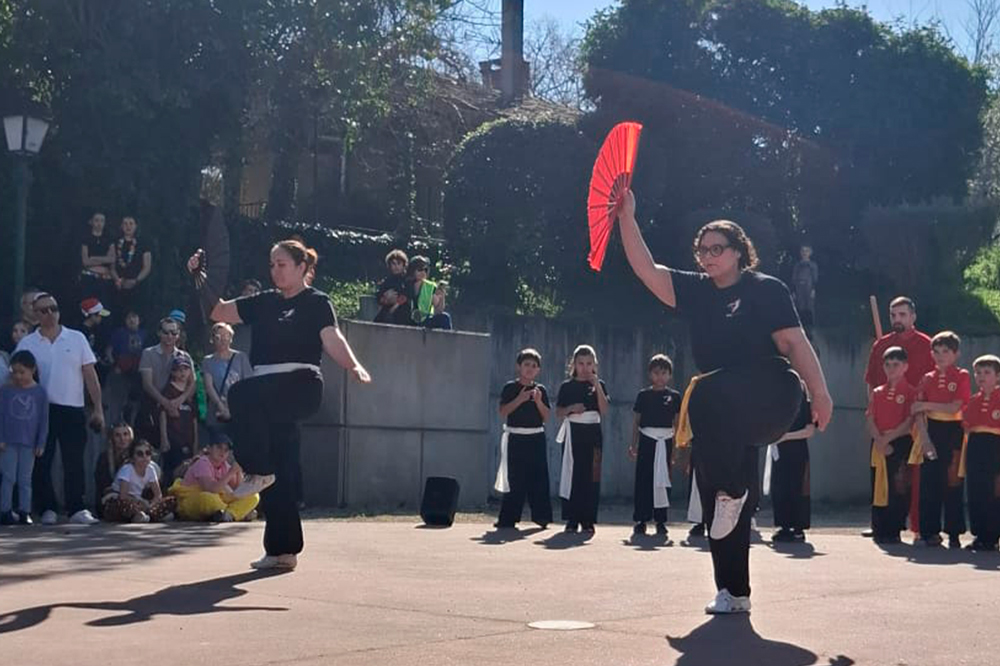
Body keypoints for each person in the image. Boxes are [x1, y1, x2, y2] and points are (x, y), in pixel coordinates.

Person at [618, 190, 832, 615]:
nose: (708, 256)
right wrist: (627, 216)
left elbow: (794, 342)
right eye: (702, 250)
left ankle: (734, 493)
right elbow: (647, 270)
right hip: (721, 414)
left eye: (717, 249)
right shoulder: (696, 291)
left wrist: (821, 393)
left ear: (738, 252)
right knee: (716, 496)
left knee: (709, 395)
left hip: (768, 395)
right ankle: (733, 591)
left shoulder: (766, 289)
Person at [188, 238, 371, 570]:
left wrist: (353, 365)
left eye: (282, 264)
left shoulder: (317, 302)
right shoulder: (264, 302)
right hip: (267, 391)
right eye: (272, 265)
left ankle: (256, 469)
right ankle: (282, 550)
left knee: (241, 395)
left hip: (300, 385)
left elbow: (332, 337)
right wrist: (200, 278)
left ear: (302, 268)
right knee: (282, 470)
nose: (275, 271)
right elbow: (219, 311)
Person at [16, 293, 105, 525]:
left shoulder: (76, 338)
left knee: (74, 460)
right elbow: (18, 379)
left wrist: (97, 408)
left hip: (72, 408)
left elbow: (90, 375)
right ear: (35, 315)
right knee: (42, 461)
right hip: (39, 411)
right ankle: (47, 508)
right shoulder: (27, 343)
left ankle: (77, 507)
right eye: (44, 310)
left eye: (53, 308)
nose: (50, 314)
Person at [864, 296, 934, 538]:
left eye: (902, 315)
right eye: (893, 315)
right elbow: (871, 381)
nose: (897, 320)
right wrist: (873, 413)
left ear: (913, 316)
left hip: (915, 417)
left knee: (905, 476)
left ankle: (912, 525)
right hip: (883, 417)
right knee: (879, 472)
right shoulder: (881, 345)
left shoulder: (926, 344)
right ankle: (880, 524)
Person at [910, 331, 970, 548]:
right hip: (931, 429)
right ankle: (929, 531)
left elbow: (956, 406)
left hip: (953, 431)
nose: (940, 356)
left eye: (945, 351)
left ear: (955, 354)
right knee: (929, 482)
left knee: (953, 481)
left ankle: (954, 532)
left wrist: (926, 405)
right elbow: (916, 411)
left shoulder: (961, 375)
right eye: (936, 352)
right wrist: (924, 439)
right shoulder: (927, 378)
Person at [494, 348, 552, 530]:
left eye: (534, 366)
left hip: (536, 438)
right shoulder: (510, 388)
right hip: (516, 438)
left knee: (539, 479)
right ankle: (508, 519)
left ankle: (542, 517)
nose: (530, 368)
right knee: (514, 480)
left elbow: (546, 417)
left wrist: (538, 401)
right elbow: (503, 412)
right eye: (527, 364)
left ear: (538, 370)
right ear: (519, 366)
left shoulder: (540, 389)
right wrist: (520, 398)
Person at [555, 344, 609, 534]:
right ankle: (571, 518)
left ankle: (588, 519)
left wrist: (597, 386)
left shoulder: (598, 385)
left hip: (593, 433)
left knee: (592, 476)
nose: (585, 368)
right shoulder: (567, 386)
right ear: (574, 365)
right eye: (581, 363)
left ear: (595, 365)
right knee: (572, 475)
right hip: (573, 434)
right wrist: (571, 408)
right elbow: (558, 412)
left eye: (589, 363)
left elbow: (604, 410)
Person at [628, 354, 681, 537]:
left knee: (663, 481)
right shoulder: (643, 395)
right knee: (643, 480)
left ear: (670, 375)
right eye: (656, 373)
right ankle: (641, 519)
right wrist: (633, 444)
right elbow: (637, 421)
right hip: (647, 440)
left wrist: (675, 449)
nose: (660, 377)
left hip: (665, 440)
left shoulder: (674, 397)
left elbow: (676, 423)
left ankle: (661, 520)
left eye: (664, 373)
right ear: (650, 374)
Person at [867, 347, 916, 545]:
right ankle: (879, 527)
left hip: (900, 442)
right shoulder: (878, 392)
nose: (891, 369)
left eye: (896, 364)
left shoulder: (910, 392)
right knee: (878, 485)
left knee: (898, 486)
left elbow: (909, 421)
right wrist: (879, 439)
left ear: (905, 367)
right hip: (879, 442)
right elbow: (870, 419)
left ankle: (894, 528)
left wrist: (889, 439)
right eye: (887, 364)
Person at [0, 351, 49, 525]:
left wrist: (41, 442)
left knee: (25, 478)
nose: (18, 376)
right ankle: (4, 510)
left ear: (32, 370)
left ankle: (24, 511)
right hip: (8, 441)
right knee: (8, 477)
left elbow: (43, 420)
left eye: (22, 372)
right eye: (15, 372)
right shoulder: (6, 391)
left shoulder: (40, 392)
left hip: (29, 442)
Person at [169, 435, 258, 522]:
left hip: (218, 502)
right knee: (208, 499)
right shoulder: (202, 463)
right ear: (209, 448)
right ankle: (238, 513)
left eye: (226, 450)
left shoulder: (224, 465)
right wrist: (231, 473)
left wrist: (238, 471)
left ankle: (229, 514)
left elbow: (238, 490)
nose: (222, 452)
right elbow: (211, 489)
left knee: (254, 496)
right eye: (219, 447)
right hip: (192, 501)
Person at [136, 317, 195, 446]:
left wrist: (178, 401)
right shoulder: (148, 353)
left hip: (178, 414)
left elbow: (192, 383)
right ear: (159, 333)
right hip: (153, 408)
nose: (170, 336)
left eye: (174, 333)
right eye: (166, 332)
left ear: (178, 335)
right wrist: (166, 403)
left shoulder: (185, 356)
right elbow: (147, 384)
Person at [767, 386, 815, 542]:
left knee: (798, 488)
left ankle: (798, 527)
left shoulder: (805, 403)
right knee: (779, 487)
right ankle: (783, 526)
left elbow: (809, 430)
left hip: (798, 452)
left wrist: (786, 436)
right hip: (779, 453)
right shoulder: (776, 404)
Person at [963, 355, 1000, 552]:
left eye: (987, 372)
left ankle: (992, 535)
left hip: (996, 446)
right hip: (977, 446)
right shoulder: (973, 400)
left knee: (994, 492)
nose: (981, 376)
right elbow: (967, 426)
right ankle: (980, 534)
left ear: (998, 376)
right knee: (976, 490)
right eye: (978, 372)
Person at [102, 439, 176, 523]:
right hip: (120, 499)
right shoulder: (127, 469)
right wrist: (140, 502)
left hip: (140, 501)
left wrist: (149, 505)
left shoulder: (151, 469)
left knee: (172, 500)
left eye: (147, 453)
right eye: (140, 454)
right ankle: (143, 515)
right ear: (133, 457)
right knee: (123, 505)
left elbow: (158, 495)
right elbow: (123, 496)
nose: (144, 457)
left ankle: (147, 514)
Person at [202, 322, 253, 429]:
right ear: (212, 339)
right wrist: (221, 406)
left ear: (231, 337)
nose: (223, 340)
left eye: (226, 336)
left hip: (238, 410)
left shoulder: (241, 357)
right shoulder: (208, 361)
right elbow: (209, 387)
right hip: (217, 412)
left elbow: (248, 383)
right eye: (218, 337)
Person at [158, 356, 198, 485]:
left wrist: (196, 443)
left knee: (188, 474)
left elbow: (194, 419)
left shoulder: (191, 393)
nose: (182, 373)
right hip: (173, 439)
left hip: (188, 439)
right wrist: (164, 438)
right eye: (178, 370)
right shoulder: (169, 390)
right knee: (172, 474)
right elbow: (162, 414)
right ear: (173, 372)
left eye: (185, 369)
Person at [109, 215, 152, 318]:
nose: (128, 226)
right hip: (119, 285)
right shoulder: (114, 242)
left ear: (136, 226)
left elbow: (147, 266)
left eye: (131, 223)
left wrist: (136, 280)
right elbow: (112, 264)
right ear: (121, 226)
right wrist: (117, 280)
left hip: (137, 285)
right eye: (125, 223)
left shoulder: (143, 243)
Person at [406, 256, 452, 330]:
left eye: (426, 270)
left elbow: (438, 311)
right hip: (407, 320)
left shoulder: (430, 286)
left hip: (423, 321)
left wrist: (442, 296)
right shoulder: (405, 284)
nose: (423, 272)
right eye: (420, 269)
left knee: (445, 317)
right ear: (412, 270)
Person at [79, 212, 115, 304]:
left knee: (104, 308)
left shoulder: (109, 238)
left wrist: (94, 258)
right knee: (89, 306)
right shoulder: (85, 238)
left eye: (102, 221)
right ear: (91, 222)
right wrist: (104, 259)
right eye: (96, 220)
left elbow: (112, 259)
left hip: (105, 279)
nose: (99, 224)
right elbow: (86, 261)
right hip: (89, 278)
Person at [374, 249, 412, 325]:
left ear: (403, 265)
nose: (396, 266)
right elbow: (379, 297)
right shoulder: (387, 281)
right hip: (387, 310)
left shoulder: (407, 280)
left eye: (398, 263)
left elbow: (406, 296)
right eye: (393, 264)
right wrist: (385, 299)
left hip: (402, 312)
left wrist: (393, 308)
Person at [79, 298, 112, 382]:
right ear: (92, 315)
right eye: (99, 315)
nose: (101, 318)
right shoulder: (80, 332)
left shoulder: (97, 329)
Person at [791, 245, 818, 330]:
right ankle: (800, 325)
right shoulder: (797, 265)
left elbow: (815, 278)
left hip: (809, 287)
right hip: (799, 287)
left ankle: (810, 327)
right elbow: (794, 277)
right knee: (800, 306)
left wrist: (813, 289)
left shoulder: (813, 265)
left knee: (809, 306)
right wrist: (793, 290)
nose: (804, 253)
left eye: (807, 251)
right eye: (803, 251)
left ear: (810, 253)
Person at [231, 279, 261, 354]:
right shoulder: (235, 305)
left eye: (256, 291)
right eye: (250, 290)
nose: (253, 293)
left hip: (252, 350)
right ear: (243, 291)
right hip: (235, 346)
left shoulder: (261, 309)